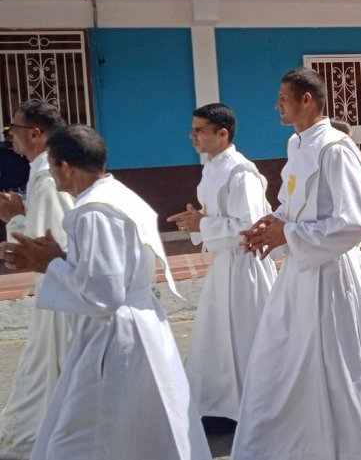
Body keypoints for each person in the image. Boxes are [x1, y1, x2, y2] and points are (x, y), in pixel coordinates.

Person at [232, 68, 361, 459]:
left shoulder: (336, 148)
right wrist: (271, 223)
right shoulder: (297, 144)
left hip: (329, 274)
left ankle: (344, 447)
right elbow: (293, 203)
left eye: (283, 97)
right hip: (299, 272)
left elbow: (353, 222)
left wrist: (289, 234)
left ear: (306, 99)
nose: (277, 105)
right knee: (282, 360)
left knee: (332, 367)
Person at [0, 125, 210, 459]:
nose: (50, 174)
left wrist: (51, 264)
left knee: (77, 436)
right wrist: (63, 258)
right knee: (143, 428)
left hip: (113, 336)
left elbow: (105, 293)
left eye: (51, 165)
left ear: (66, 167)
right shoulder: (119, 195)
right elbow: (108, 269)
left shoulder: (93, 212)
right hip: (138, 327)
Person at [167, 103, 277, 433]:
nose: (193, 136)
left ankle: (255, 408)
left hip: (245, 266)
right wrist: (198, 221)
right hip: (224, 265)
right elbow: (217, 216)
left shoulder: (240, 172)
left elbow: (249, 226)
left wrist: (203, 223)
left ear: (222, 133)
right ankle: (220, 406)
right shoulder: (213, 168)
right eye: (193, 130)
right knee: (217, 338)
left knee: (244, 338)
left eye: (200, 130)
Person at [0, 101, 74, 459]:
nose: (10, 138)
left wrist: (14, 218)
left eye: (12, 130)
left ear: (35, 133)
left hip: (61, 288)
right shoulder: (47, 171)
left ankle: (37, 438)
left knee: (47, 369)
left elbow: (47, 243)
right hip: (60, 285)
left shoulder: (48, 177)